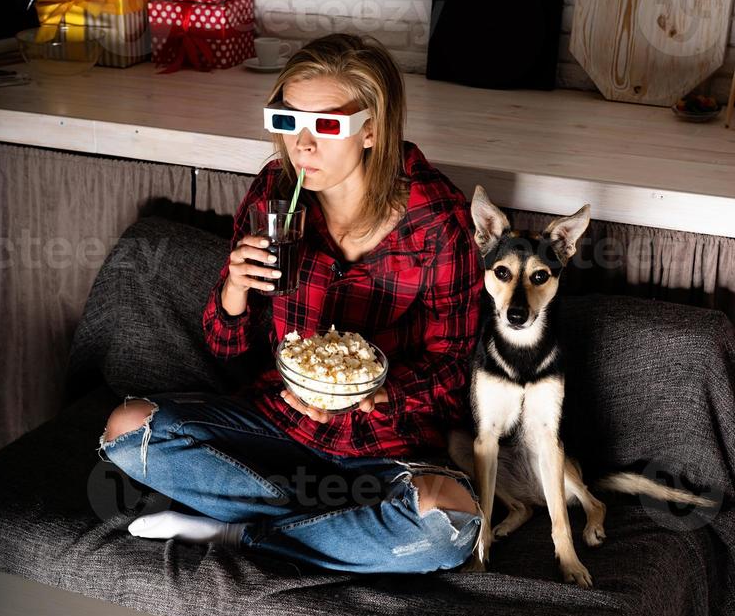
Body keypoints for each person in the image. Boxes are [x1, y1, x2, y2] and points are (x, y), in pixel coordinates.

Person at [98, 33, 485, 573]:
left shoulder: (438, 222)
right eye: (287, 121)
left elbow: (450, 372)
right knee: (128, 431)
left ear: (371, 129)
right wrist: (233, 290)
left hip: (382, 445)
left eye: (326, 125)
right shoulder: (274, 195)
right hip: (278, 425)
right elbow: (229, 351)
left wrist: (373, 396)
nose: (302, 146)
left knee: (446, 527)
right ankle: (330, 530)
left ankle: (237, 530)